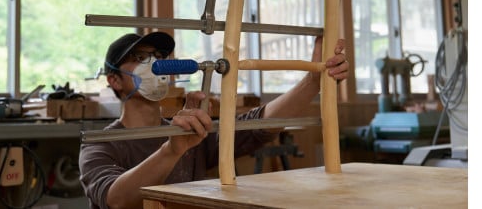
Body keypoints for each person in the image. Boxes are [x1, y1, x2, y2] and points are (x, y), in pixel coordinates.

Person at [79, 31, 349, 209]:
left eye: (158, 57)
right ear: (113, 79)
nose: (154, 65)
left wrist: (313, 81)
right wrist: (171, 150)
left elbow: (256, 126)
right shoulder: (101, 145)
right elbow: (114, 199)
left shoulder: (188, 133)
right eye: (139, 58)